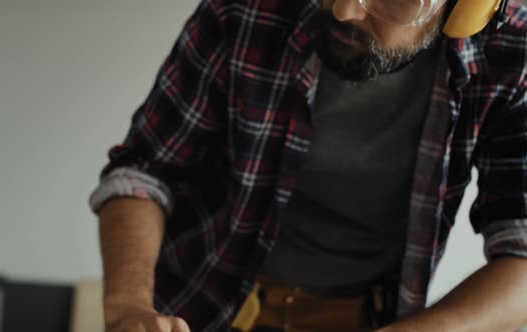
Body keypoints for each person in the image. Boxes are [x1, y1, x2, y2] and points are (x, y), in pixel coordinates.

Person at [89, 0, 527, 331]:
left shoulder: (513, 52)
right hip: (196, 305)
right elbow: (146, 169)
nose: (344, 10)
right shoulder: (247, 9)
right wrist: (128, 307)